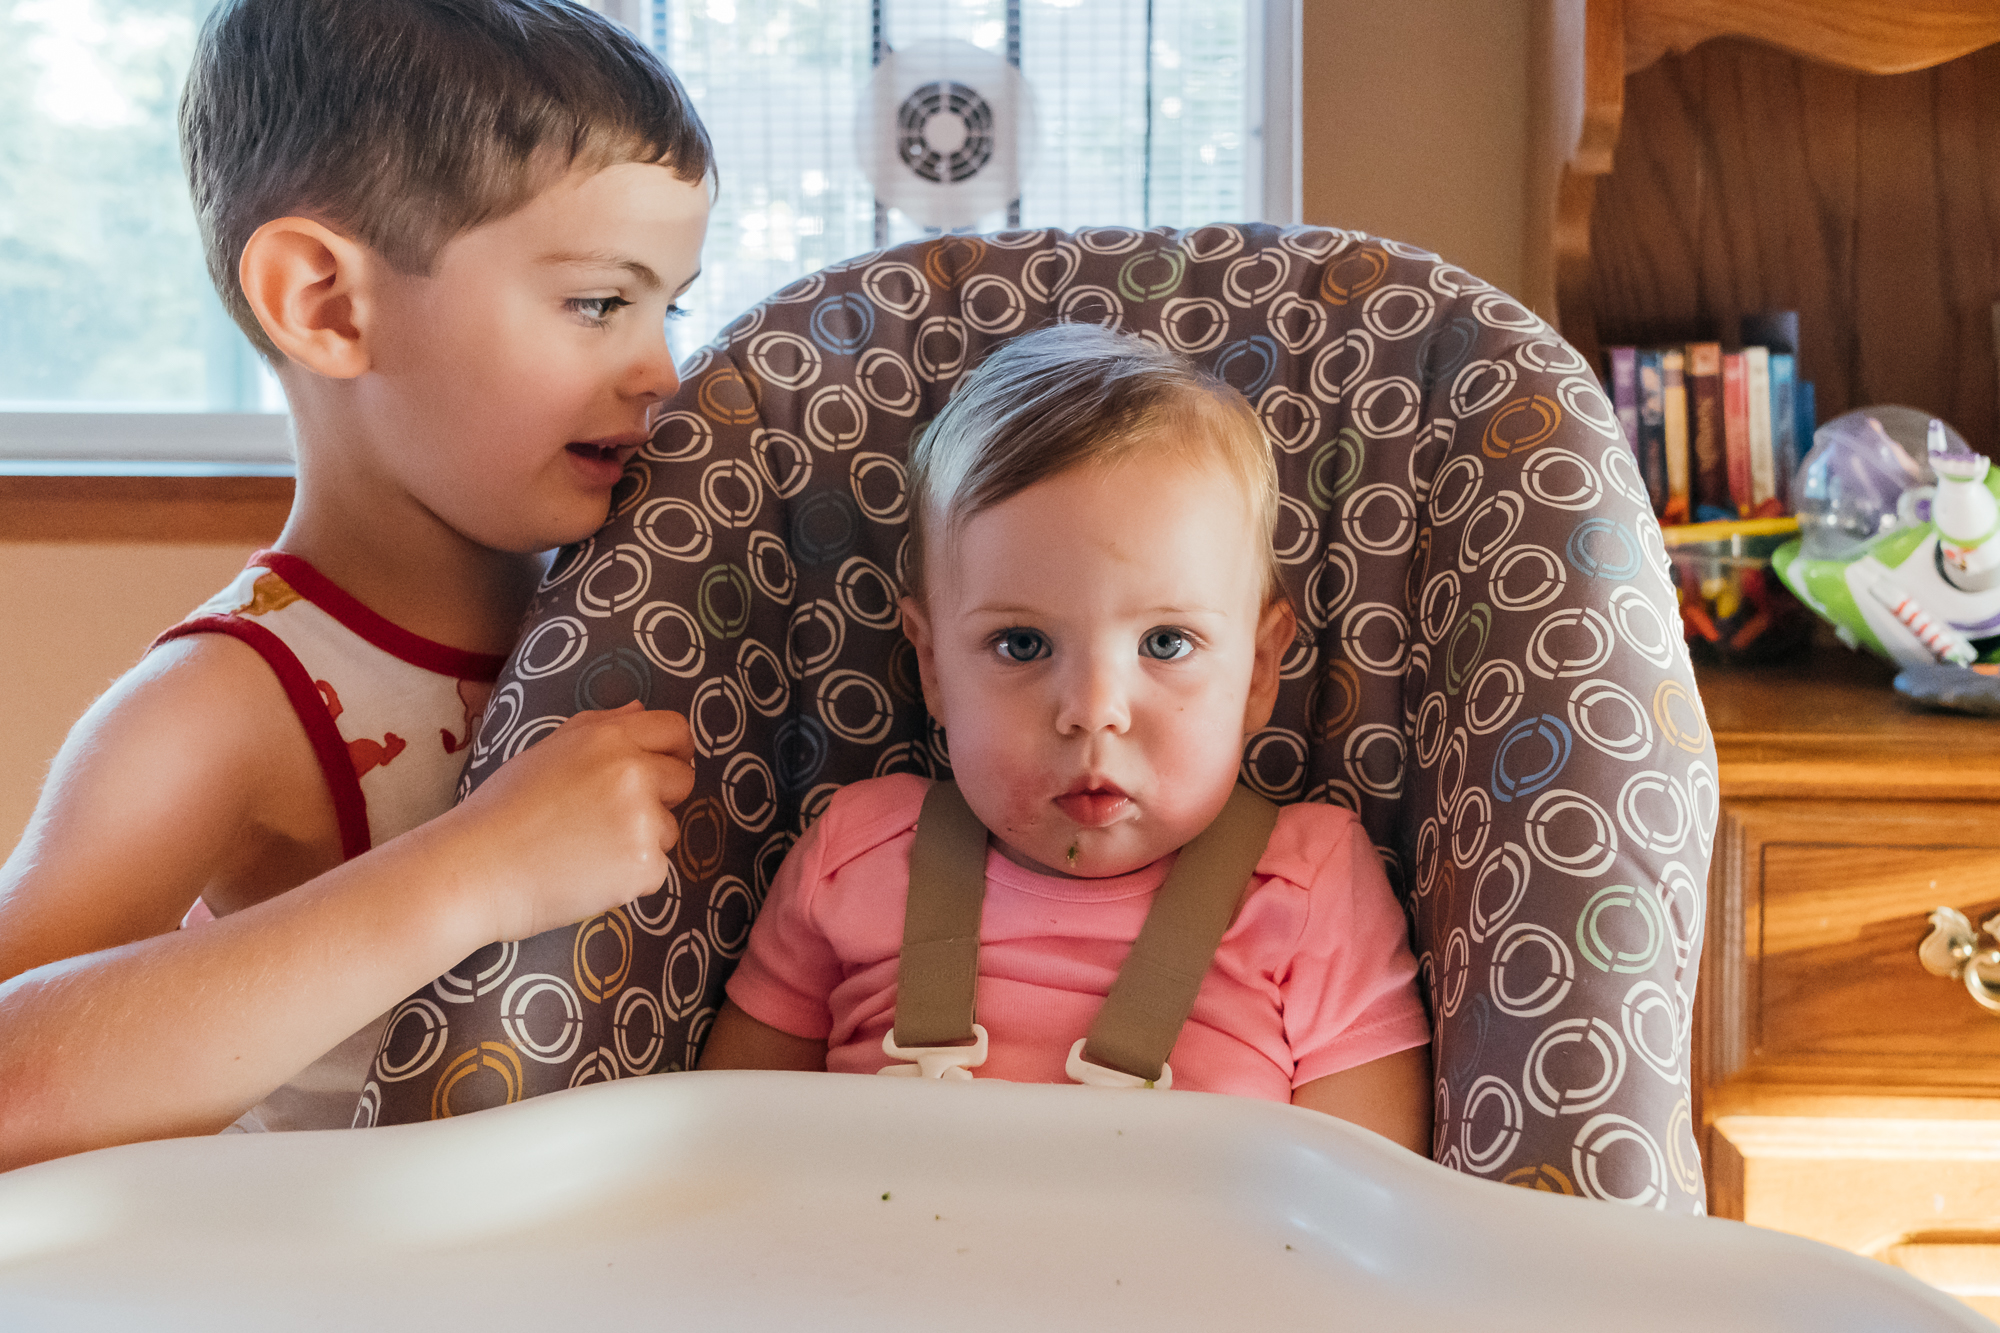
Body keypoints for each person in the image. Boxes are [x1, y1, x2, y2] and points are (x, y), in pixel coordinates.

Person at [0, 0, 713, 1169]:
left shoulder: (648, 585)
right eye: (597, 302)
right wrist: (472, 872)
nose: (660, 372)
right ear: (325, 304)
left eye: (667, 306)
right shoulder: (225, 704)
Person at [699, 324, 1434, 1153]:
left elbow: (1372, 1208)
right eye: (1022, 643)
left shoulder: (1308, 887)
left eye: (1165, 643)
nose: (1092, 711)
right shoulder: (851, 856)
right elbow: (725, 1149)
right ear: (933, 665)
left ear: (1261, 669)